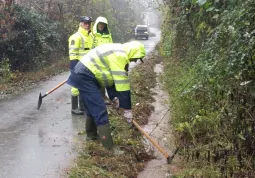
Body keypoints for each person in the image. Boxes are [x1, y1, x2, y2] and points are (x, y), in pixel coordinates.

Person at [67, 41, 146, 150]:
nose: (135, 61)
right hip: (85, 75)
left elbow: (110, 80)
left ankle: (91, 137)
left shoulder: (118, 51)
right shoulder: (120, 56)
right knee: (100, 109)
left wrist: (115, 98)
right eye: (136, 58)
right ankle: (109, 148)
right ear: (133, 52)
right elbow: (122, 85)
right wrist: (127, 109)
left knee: (91, 108)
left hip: (83, 74)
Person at [68, 16, 93, 115]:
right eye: (85, 23)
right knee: (75, 87)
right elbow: (73, 54)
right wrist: (74, 67)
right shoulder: (76, 37)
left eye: (89, 23)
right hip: (77, 65)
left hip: (88, 66)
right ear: (81, 24)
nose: (87, 25)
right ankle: (74, 108)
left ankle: (82, 107)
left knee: (84, 86)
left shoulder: (90, 36)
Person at [92, 16, 113, 101]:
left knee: (103, 78)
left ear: (105, 26)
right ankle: (96, 97)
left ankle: (103, 96)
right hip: (94, 60)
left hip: (105, 60)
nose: (101, 26)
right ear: (97, 25)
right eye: (99, 24)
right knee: (94, 79)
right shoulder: (92, 35)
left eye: (103, 24)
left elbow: (111, 47)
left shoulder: (108, 35)